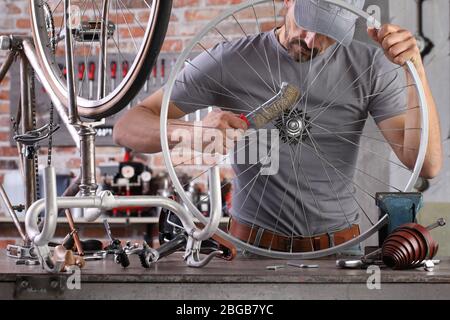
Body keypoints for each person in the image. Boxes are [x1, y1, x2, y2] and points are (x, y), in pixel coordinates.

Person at [113, 0, 442, 253]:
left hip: (341, 248)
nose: (311, 40)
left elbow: (426, 164)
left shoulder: (369, 66)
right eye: (308, 22)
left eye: (327, 31)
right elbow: (126, 127)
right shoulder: (230, 60)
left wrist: (415, 70)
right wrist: (188, 132)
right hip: (251, 246)